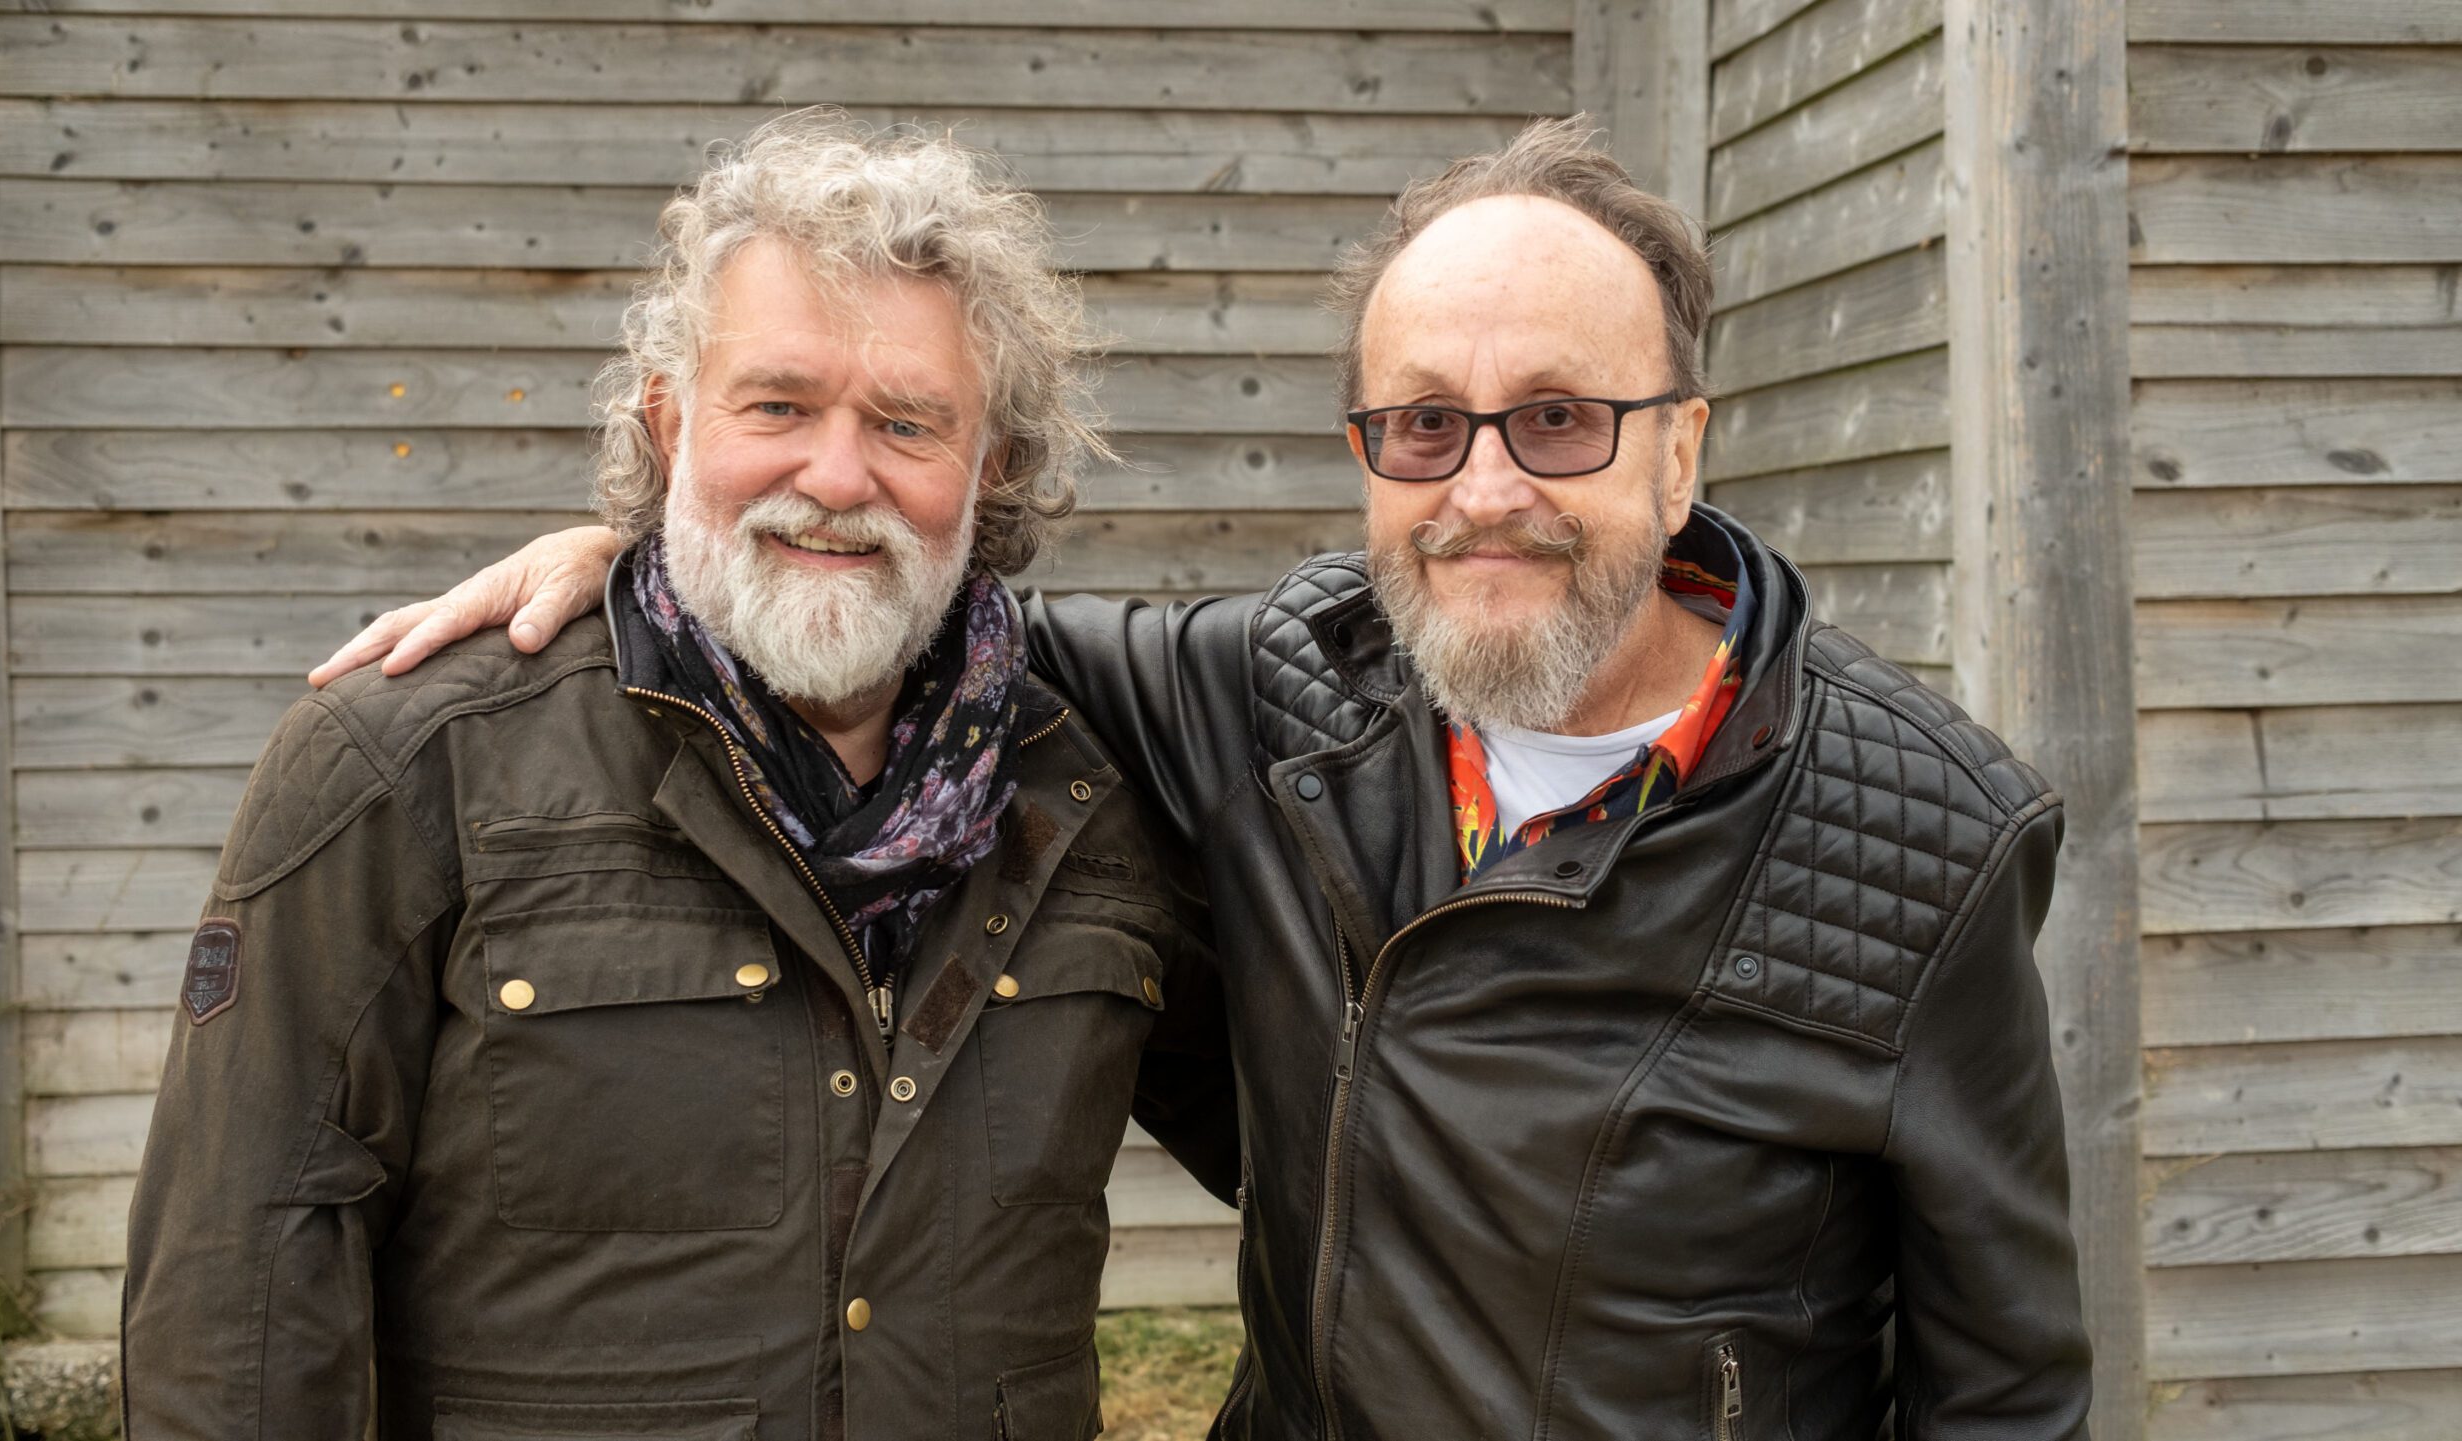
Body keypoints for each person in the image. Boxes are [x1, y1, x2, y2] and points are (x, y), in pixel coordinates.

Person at [321, 117, 2095, 1438]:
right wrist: (645, 542)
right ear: (1370, 451)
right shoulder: (1271, 693)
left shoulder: (1926, 832)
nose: (1484, 486)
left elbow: (2004, 1388)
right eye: (1422, 423)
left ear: (1683, 442)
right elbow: (883, 583)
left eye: (1560, 418)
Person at [124, 112, 1233, 1441]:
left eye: (907, 422)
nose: (835, 475)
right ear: (670, 418)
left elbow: (1333, 1165)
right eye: (778, 404)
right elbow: (232, 1306)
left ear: (988, 465)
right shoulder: (414, 764)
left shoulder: (1087, 801)